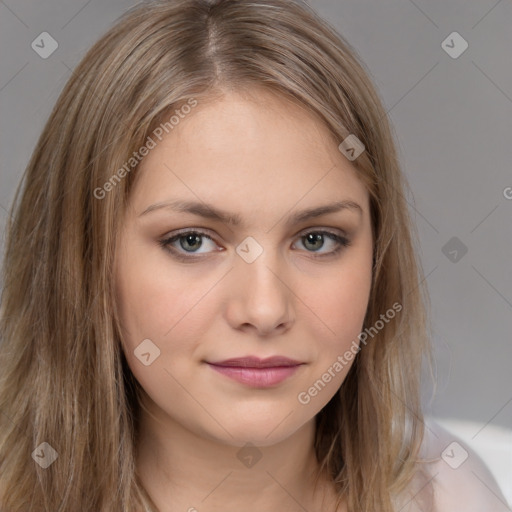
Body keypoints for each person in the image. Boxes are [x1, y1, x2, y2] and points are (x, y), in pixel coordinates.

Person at [0, 1, 509, 511]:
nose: (265, 310)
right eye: (192, 241)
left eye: (316, 239)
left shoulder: (450, 491)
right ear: (86, 261)